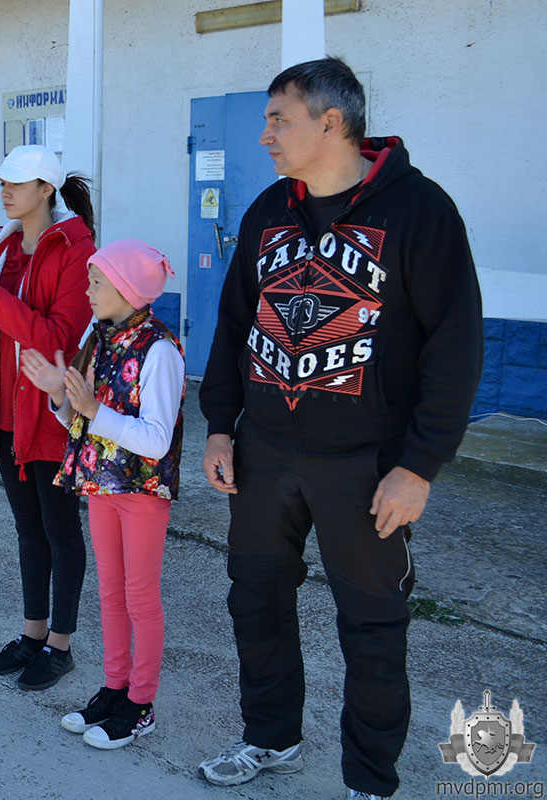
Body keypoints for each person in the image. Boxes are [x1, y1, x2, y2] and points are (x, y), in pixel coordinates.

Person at [196, 58, 483, 800]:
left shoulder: (419, 211)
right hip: (265, 455)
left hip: (367, 465)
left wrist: (418, 466)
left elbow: (455, 347)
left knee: (373, 627)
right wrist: (220, 426)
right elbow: (234, 325)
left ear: (331, 122)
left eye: (278, 119)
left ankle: (370, 781)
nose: (265, 135)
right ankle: (271, 737)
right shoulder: (268, 211)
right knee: (255, 602)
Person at [0, 145, 95, 690]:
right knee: (29, 530)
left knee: (60, 531)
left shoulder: (77, 249)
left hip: (51, 416)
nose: (4, 191)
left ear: (46, 189)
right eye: (1, 182)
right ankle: (33, 635)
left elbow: (57, 339)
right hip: (3, 415)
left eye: (15, 182)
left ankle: (61, 645)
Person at [22, 239, 184, 750]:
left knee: (140, 598)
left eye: (96, 282)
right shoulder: (100, 339)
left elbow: (156, 440)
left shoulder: (160, 349)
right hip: (100, 486)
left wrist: (93, 409)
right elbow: (80, 423)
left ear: (127, 288)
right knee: (110, 594)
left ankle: (141, 703)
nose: (88, 291)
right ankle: (115, 689)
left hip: (142, 493)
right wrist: (59, 396)